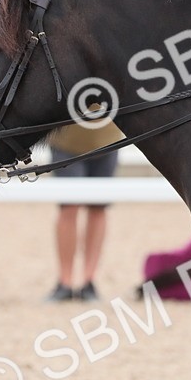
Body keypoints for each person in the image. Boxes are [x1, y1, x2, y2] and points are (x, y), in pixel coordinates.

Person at [44, 122, 122, 302]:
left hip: (107, 140)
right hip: (66, 140)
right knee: (68, 208)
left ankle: (89, 280)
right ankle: (65, 281)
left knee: (98, 209)